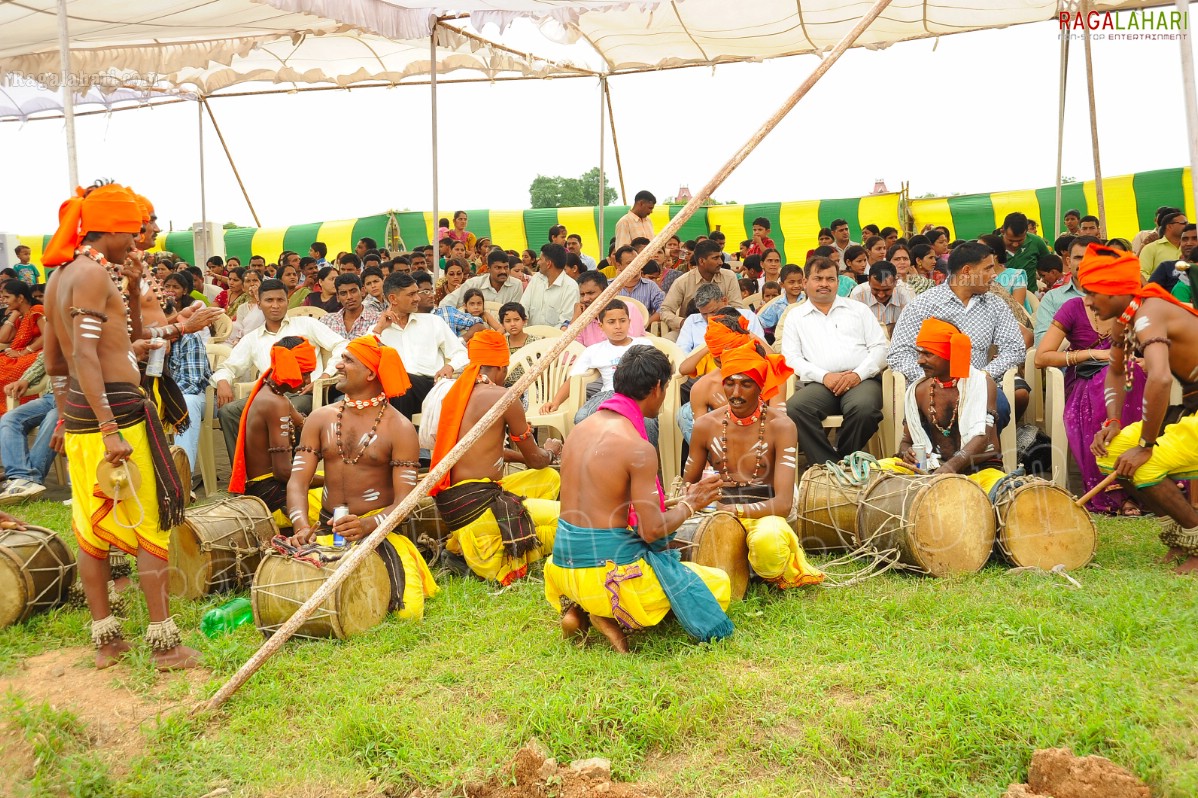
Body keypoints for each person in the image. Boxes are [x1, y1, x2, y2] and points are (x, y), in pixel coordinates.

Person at [41, 181, 197, 670]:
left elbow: (59, 361)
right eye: (134, 231)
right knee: (148, 523)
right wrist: (110, 428)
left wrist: (130, 286)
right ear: (113, 228)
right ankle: (165, 645)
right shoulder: (87, 274)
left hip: (87, 415)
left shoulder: (63, 276)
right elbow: (84, 355)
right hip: (117, 414)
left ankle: (107, 641)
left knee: (91, 525)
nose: (139, 241)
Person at [544, 346, 730, 651]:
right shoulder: (637, 447)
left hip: (562, 568)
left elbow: (606, 500)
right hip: (608, 575)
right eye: (668, 387)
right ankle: (608, 613)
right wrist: (689, 503)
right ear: (657, 387)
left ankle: (581, 608)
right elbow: (652, 531)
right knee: (717, 583)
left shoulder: (580, 429)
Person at [287, 335, 438, 618]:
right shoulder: (320, 418)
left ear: (370, 372)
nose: (339, 366)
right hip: (327, 528)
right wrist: (300, 527)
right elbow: (297, 481)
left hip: (379, 531)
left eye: (347, 360)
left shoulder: (400, 428)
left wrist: (368, 525)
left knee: (409, 613)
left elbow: (406, 502)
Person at [1080, 244, 1198, 573]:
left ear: (1114, 290)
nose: (1087, 302)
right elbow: (1116, 372)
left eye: (1092, 293)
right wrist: (1114, 420)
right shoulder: (1127, 320)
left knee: (1140, 461)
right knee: (1111, 451)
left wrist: (1145, 446)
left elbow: (1159, 378)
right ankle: (1179, 535)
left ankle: (1197, 541)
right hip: (1192, 408)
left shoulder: (1149, 312)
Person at [685, 340, 824, 589]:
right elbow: (688, 484)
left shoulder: (781, 426)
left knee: (768, 542)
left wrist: (735, 512)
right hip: (718, 511)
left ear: (760, 386)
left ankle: (759, 567)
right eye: (730, 383)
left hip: (766, 513)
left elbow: (782, 504)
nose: (736, 393)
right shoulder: (705, 425)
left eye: (746, 384)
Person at [429, 330, 562, 584]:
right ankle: (501, 549)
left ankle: (475, 546)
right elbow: (538, 460)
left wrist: (522, 457)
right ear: (502, 367)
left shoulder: (456, 394)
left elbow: (478, 449)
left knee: (548, 478)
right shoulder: (503, 397)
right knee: (569, 520)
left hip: (457, 506)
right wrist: (552, 449)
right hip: (478, 507)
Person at [888, 242, 1026, 431]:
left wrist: (983, 375)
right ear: (967, 271)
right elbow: (899, 353)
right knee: (932, 412)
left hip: (978, 385)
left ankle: (984, 458)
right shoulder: (923, 305)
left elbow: (1015, 348)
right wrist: (930, 380)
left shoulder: (995, 304)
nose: (994, 274)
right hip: (932, 387)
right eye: (988, 268)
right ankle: (940, 458)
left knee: (999, 408)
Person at [213, 278, 349, 460]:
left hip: (305, 394)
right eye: (269, 301)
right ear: (259, 304)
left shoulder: (306, 324)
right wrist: (222, 381)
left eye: (280, 300)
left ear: (287, 301)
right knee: (228, 411)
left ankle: (292, 470)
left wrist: (325, 375)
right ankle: (249, 475)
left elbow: (342, 345)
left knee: (285, 409)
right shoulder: (252, 338)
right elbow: (228, 367)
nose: (275, 305)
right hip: (269, 396)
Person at [1035, 296, 1144, 515]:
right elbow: (1041, 358)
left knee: (1133, 374)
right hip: (1085, 383)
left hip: (1131, 379)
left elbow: (1160, 350)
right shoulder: (1073, 308)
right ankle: (1116, 492)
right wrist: (1093, 354)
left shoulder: (1132, 307)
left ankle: (1145, 488)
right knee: (1105, 379)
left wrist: (1146, 360)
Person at [782, 256, 888, 465]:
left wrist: (858, 375)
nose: (824, 284)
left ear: (838, 283)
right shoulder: (796, 316)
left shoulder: (858, 310)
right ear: (805, 282)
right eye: (818, 278)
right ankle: (827, 466)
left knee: (864, 409)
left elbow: (880, 348)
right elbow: (791, 358)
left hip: (861, 379)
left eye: (830, 279)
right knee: (795, 408)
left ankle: (845, 461)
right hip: (820, 384)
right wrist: (824, 376)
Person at [886, 319, 1005, 492]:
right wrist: (907, 454)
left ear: (950, 355)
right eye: (920, 353)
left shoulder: (982, 384)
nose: (920, 360)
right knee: (878, 469)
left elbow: (982, 438)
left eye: (928, 354)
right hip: (932, 469)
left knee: (1002, 489)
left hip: (979, 471)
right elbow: (905, 441)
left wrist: (949, 469)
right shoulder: (919, 390)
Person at [227, 337, 322, 529]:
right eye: (305, 374)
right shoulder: (274, 403)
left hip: (270, 488)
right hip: (271, 497)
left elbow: (305, 424)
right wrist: (332, 480)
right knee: (347, 500)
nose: (308, 381)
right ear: (289, 368)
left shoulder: (275, 395)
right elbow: (283, 472)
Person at [373, 272, 469, 419]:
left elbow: (461, 354)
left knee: (401, 380)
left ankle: (399, 438)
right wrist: (379, 329)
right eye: (411, 294)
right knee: (397, 383)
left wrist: (450, 366)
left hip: (429, 388)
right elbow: (361, 357)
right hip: (392, 392)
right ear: (393, 298)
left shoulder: (433, 322)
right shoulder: (378, 330)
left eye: (417, 293)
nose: (417, 298)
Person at [542, 300, 654, 422]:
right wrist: (555, 402)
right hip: (609, 394)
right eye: (611, 322)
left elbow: (656, 372)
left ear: (629, 322)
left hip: (638, 393)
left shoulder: (644, 344)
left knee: (646, 421)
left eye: (622, 321)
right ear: (601, 326)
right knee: (582, 417)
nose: (618, 326)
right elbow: (574, 377)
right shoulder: (594, 350)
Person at [0, 354, 56, 503]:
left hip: (76, 398)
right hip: (51, 397)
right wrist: (25, 379)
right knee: (10, 419)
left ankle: (26, 483)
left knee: (52, 419)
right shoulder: (59, 332)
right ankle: (23, 478)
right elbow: (43, 359)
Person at [661, 240, 744, 337]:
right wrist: (683, 322)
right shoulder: (682, 281)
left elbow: (737, 308)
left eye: (720, 257)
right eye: (715, 258)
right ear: (701, 261)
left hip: (724, 329)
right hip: (690, 330)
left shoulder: (729, 276)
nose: (721, 262)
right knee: (668, 341)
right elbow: (665, 310)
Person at [1034, 235, 1100, 345]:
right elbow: (1041, 340)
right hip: (1067, 359)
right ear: (1069, 262)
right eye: (1079, 258)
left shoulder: (1119, 296)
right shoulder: (1053, 298)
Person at [677, 283, 765, 354]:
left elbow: (761, 347)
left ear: (725, 301)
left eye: (713, 312)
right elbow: (682, 352)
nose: (709, 318)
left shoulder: (747, 316)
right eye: (704, 314)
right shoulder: (692, 321)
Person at [0, 279, 45, 402]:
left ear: (20, 298)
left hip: (41, 354)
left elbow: (48, 336)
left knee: (4, 371)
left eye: (7, 297)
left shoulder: (37, 309)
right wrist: (14, 314)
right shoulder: (21, 316)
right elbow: (3, 338)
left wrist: (24, 352)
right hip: (23, 354)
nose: (4, 301)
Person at [572, 271, 646, 346]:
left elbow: (631, 345)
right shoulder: (583, 318)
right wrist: (576, 319)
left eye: (590, 293)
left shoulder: (629, 309)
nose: (585, 299)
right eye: (582, 294)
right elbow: (573, 348)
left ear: (606, 291)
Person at [439, 249, 523, 309]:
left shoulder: (516, 284)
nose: (503, 271)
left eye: (506, 267)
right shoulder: (474, 283)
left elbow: (514, 311)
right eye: (498, 268)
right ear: (488, 268)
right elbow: (447, 303)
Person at [522, 244, 580, 329]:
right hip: (529, 336)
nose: (538, 262)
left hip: (554, 339)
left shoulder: (570, 287)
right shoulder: (536, 279)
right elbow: (523, 307)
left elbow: (565, 321)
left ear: (548, 264)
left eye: (540, 259)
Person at [848, 261, 909, 336]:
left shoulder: (906, 293)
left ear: (895, 282)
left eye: (886, 290)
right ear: (869, 281)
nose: (881, 295)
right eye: (876, 290)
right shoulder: (858, 294)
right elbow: (853, 328)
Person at [320, 274, 379, 340]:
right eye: (343, 293)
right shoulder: (327, 321)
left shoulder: (377, 320)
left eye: (353, 291)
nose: (349, 297)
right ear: (338, 297)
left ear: (362, 292)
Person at [1000, 212, 1051, 287]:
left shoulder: (1036, 242)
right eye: (1011, 240)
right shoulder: (993, 245)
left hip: (1030, 294)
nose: (1015, 244)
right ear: (1002, 231)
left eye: (1020, 240)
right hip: (1000, 295)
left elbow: (1049, 266)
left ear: (1026, 231)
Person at [1139, 210, 1187, 279]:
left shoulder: (1190, 247)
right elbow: (1142, 273)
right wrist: (1157, 286)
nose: (1187, 225)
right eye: (1184, 223)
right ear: (1169, 226)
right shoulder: (1151, 248)